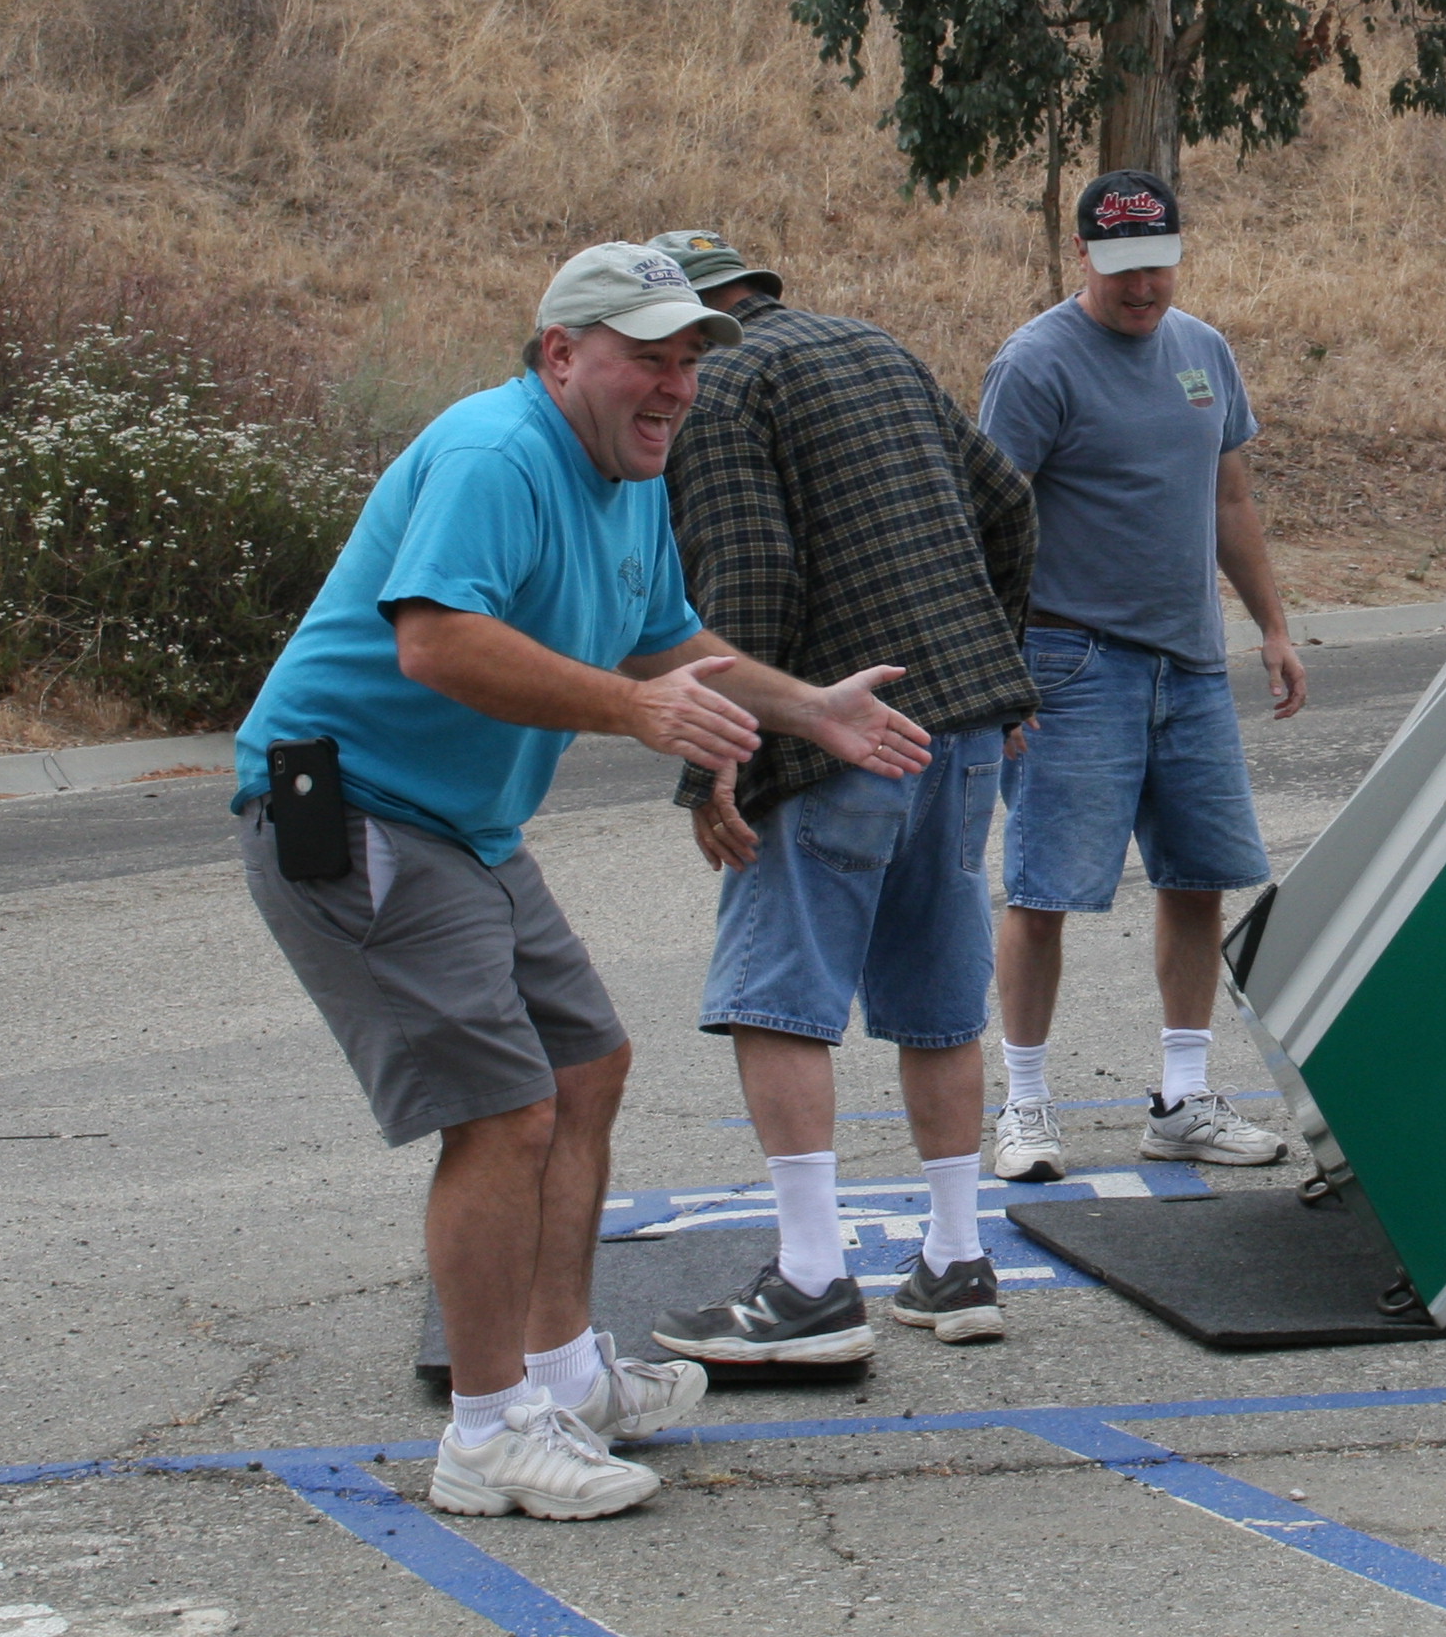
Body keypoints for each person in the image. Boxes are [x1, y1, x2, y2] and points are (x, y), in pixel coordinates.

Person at [236, 242, 933, 1523]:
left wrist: (805, 708)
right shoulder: (496, 454)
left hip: (467, 827)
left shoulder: (628, 477)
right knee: (503, 1113)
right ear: (562, 352)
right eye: (646, 356)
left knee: (583, 1068)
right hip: (358, 813)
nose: (673, 385)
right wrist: (631, 713)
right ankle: (489, 1431)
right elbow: (437, 639)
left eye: (687, 360)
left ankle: (561, 1375)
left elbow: (668, 638)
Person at [642, 229, 1037, 1356]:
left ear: (696, 317)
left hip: (834, 730)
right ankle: (959, 1263)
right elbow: (1008, 502)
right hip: (957, 721)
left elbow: (748, 571)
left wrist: (717, 756)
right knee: (938, 987)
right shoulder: (875, 345)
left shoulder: (718, 388)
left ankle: (812, 1280)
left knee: (778, 991)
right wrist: (997, 662)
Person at [976, 170, 1306, 1183]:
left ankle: (1182, 1098)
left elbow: (1231, 500)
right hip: (1072, 662)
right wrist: (994, 673)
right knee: (1042, 889)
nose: (1143, 287)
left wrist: (1274, 624)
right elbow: (983, 517)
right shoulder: (1036, 364)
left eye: (1159, 264)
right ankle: (1024, 1106)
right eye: (1122, 269)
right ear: (1085, 257)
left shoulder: (1203, 352)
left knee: (1199, 877)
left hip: (1191, 662)